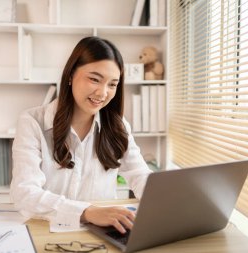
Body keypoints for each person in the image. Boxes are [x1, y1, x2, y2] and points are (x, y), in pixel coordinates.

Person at [10, 36, 152, 233]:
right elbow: (24, 193)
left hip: (103, 233)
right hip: (45, 230)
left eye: (112, 84)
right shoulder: (32, 122)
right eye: (94, 79)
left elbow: (140, 175)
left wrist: (164, 204)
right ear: (70, 75)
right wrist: (86, 211)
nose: (103, 93)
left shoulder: (118, 126)